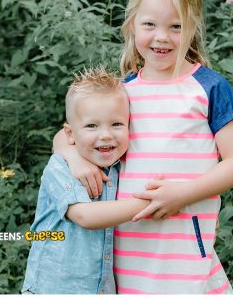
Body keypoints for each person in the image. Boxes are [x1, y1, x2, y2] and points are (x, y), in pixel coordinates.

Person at [53, 0, 233, 294]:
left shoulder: (209, 87)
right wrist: (73, 158)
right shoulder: (122, 93)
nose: (162, 37)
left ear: (192, 27)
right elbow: (68, 132)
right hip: (129, 250)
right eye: (149, 24)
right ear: (131, 25)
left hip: (186, 248)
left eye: (176, 26)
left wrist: (182, 194)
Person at [22, 67, 154, 294]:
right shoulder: (60, 167)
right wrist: (155, 202)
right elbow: (85, 215)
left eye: (117, 124)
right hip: (54, 287)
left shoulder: (122, 166)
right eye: (92, 126)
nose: (105, 134)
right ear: (70, 134)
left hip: (101, 287)